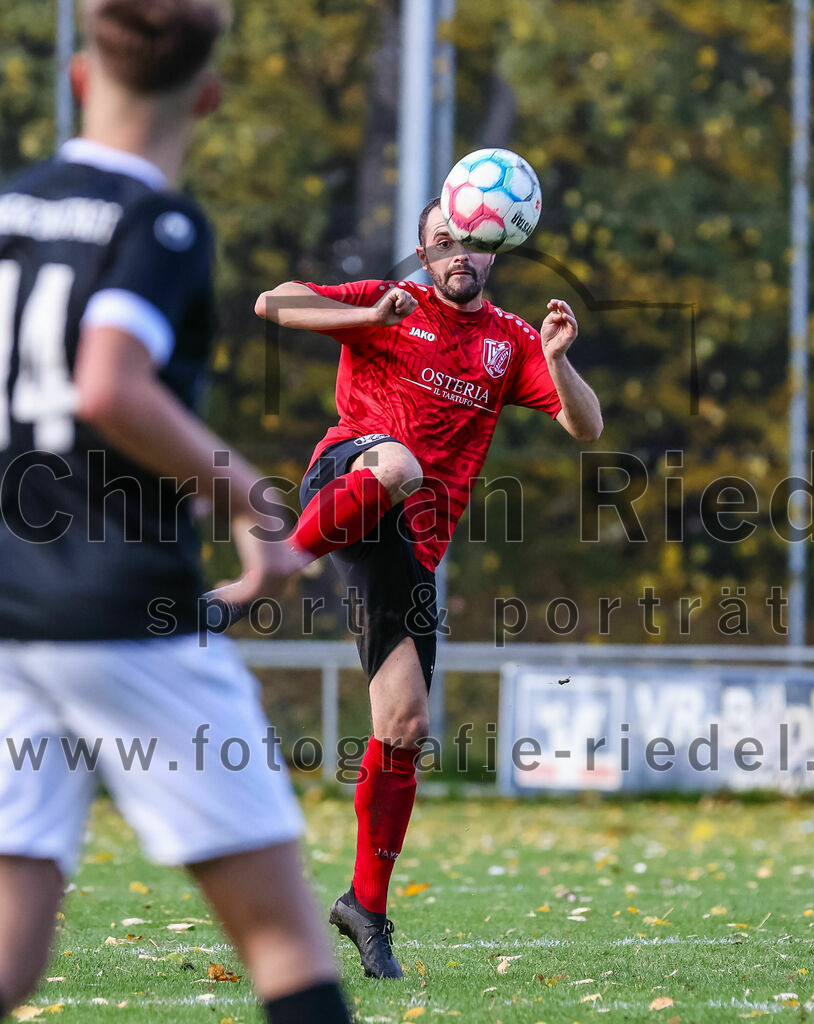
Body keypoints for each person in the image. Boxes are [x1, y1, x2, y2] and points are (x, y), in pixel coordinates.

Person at [0, 2, 350, 1021]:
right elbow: (109, 383)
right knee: (285, 940)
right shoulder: (159, 221)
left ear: (78, 76)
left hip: (7, 611)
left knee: (11, 942)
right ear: (208, 95)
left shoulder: (11, 208)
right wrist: (256, 503)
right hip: (120, 609)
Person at [220, 198, 603, 978]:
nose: (457, 251)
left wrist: (560, 359)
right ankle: (274, 569)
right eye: (442, 240)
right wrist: (357, 318)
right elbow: (273, 303)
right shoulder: (389, 300)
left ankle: (364, 905)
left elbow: (586, 428)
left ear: (494, 249)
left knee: (405, 726)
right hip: (350, 475)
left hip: (409, 546)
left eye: (471, 241)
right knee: (397, 466)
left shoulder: (511, 341)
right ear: (423, 252)